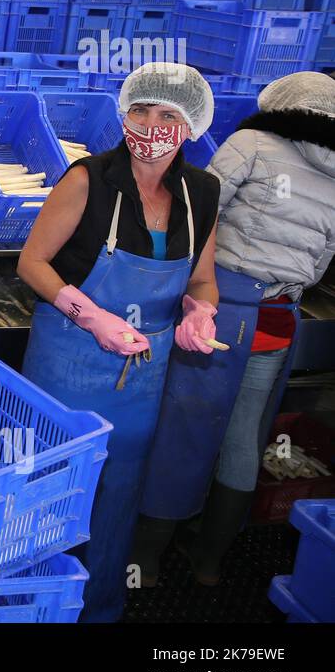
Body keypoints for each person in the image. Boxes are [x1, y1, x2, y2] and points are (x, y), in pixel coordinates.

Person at [15, 62, 221, 622]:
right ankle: (32, 600)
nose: (152, 125)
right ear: (124, 114)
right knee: (53, 482)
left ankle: (97, 604)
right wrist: (89, 316)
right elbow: (32, 263)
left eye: (168, 115)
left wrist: (201, 312)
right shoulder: (88, 180)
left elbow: (201, 276)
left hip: (143, 375)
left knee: (117, 492)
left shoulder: (201, 192)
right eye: (141, 111)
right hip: (68, 362)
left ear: (191, 127)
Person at [134, 70, 335, 585]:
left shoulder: (251, 143)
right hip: (280, 316)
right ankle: (208, 562)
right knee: (245, 437)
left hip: (221, 308)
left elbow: (200, 212)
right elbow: (324, 257)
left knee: (186, 429)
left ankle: (148, 559)